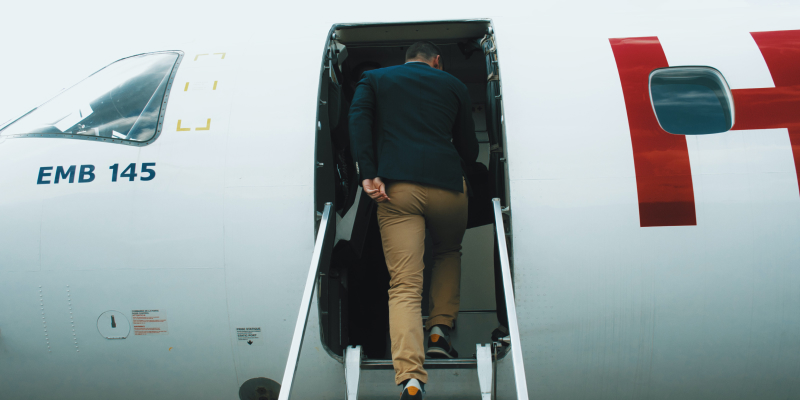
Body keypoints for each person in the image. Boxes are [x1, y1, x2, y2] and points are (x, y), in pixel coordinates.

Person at [349, 41, 478, 400]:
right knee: (448, 251)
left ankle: (410, 378)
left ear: (405, 60)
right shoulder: (454, 84)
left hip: (396, 189)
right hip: (449, 188)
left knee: (404, 284)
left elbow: (357, 122)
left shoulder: (374, 79)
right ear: (437, 61)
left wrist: (368, 174)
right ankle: (439, 331)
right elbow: (469, 149)